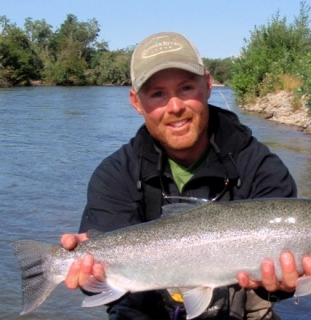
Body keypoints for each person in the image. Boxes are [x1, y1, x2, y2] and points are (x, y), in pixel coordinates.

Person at [61, 32, 311, 319]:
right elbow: (97, 279)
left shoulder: (261, 167)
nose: (175, 106)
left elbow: (281, 285)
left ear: (207, 85)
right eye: (157, 94)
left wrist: (280, 287)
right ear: (136, 102)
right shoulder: (114, 175)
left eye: (186, 88)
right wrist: (84, 272)